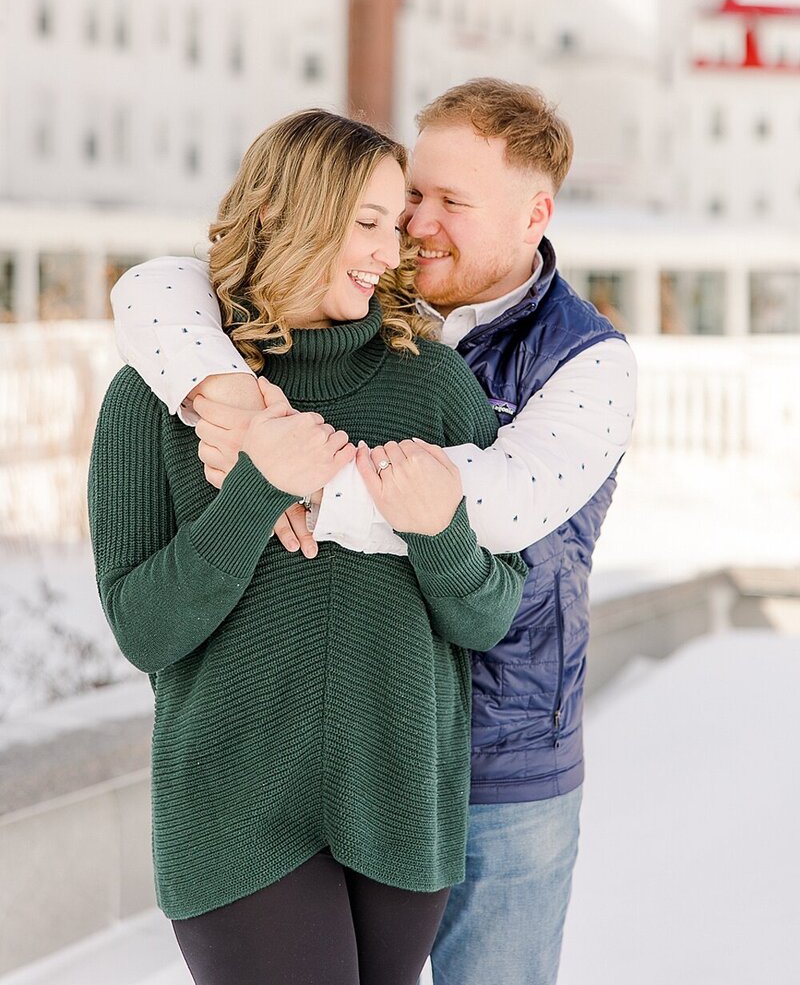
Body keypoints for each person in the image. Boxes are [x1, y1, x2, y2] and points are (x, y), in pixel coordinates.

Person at [112, 79, 638, 985]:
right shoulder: (182, 377)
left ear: (533, 213)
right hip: (249, 803)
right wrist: (228, 407)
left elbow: (491, 521)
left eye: (445, 205)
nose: (413, 233)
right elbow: (165, 283)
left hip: (486, 770)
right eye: (402, 206)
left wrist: (302, 482)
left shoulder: (574, 366)